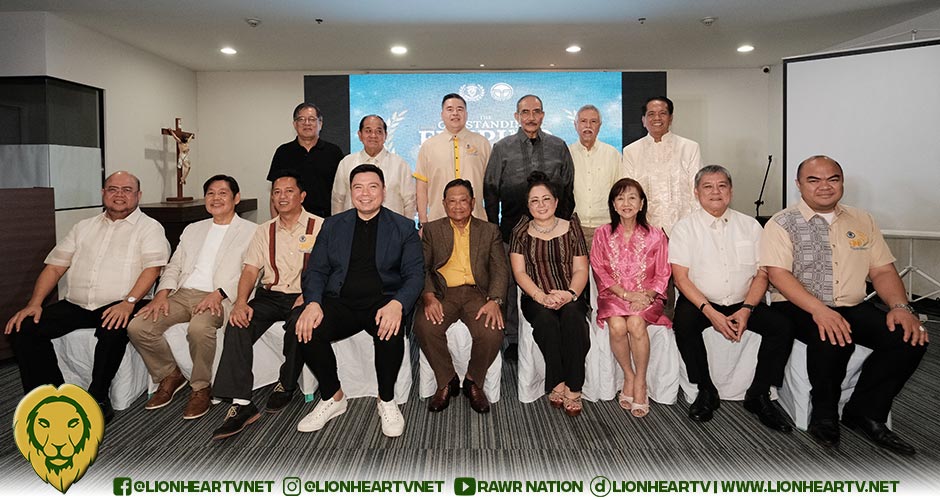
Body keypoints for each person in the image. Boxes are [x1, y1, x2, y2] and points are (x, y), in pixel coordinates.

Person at [761, 155, 928, 454]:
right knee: (833, 338)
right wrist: (819, 310)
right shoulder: (781, 222)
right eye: (814, 180)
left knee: (909, 338)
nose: (824, 186)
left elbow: (882, 271)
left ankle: (865, 411)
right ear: (799, 184)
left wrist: (900, 307)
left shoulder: (863, 220)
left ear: (842, 182)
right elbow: (778, 274)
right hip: (798, 305)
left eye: (832, 179)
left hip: (851, 304)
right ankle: (824, 415)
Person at [5, 171, 169, 422]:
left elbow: (153, 269)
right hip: (78, 304)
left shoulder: (150, 228)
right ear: (103, 193)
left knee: (113, 328)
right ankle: (49, 395)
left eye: (127, 190)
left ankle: (98, 397)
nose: (119, 194)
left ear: (138, 195)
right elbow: (55, 267)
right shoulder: (83, 227)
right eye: (113, 189)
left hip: (125, 301)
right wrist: (34, 303)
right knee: (24, 327)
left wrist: (128, 303)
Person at [293, 164, 423, 437]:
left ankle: (386, 399)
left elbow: (415, 275)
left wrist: (398, 304)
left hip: (383, 302)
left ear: (384, 191)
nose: (365, 194)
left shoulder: (403, 227)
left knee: (390, 330)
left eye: (372, 187)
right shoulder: (333, 225)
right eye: (358, 187)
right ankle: (333, 396)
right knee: (304, 326)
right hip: (341, 302)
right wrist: (313, 303)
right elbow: (316, 270)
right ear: (350, 191)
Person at [669, 165, 794, 431]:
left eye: (722, 186)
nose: (715, 192)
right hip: (701, 301)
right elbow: (681, 279)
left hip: (743, 301)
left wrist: (747, 308)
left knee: (782, 326)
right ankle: (706, 389)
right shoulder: (685, 228)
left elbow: (762, 274)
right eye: (708, 186)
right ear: (696, 192)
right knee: (684, 323)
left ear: (731, 191)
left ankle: (759, 394)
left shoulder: (750, 226)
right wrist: (711, 313)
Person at [127, 175, 256, 420]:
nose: (215, 198)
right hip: (183, 293)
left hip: (219, 296)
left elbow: (250, 272)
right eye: (210, 193)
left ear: (236, 198)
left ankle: (201, 387)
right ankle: (170, 374)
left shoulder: (252, 231)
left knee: (198, 328)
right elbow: (174, 265)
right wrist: (161, 295)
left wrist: (219, 293)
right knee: (138, 327)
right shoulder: (193, 229)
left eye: (222, 193)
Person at [211, 173, 324, 440]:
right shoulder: (264, 230)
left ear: (302, 196)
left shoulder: (321, 226)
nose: (282, 197)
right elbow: (251, 270)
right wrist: (240, 303)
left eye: (289, 191)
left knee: (299, 324)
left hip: (304, 295)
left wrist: (311, 295)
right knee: (238, 323)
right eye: (276, 192)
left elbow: (330, 268)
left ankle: (286, 384)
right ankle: (241, 403)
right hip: (270, 295)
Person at [484, 94, 575, 357]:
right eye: (525, 112)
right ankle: (513, 338)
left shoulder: (558, 146)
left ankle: (557, 324)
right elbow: (490, 190)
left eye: (536, 112)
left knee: (553, 276)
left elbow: (568, 189)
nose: (531, 117)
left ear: (543, 115)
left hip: (553, 232)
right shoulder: (502, 148)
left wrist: (562, 228)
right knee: (512, 284)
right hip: (513, 231)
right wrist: (495, 229)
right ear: (517, 116)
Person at [414, 179, 508, 414]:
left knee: (492, 331)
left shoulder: (489, 230)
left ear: (473, 202)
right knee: (425, 326)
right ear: (444, 204)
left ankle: (473, 381)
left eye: (463, 200)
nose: (458, 206)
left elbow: (500, 269)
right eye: (452, 201)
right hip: (443, 292)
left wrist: (495, 300)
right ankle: (446, 380)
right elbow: (422, 268)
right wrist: (428, 296)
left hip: (478, 293)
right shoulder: (432, 230)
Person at [510, 171, 589, 417]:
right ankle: (558, 382)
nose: (541, 205)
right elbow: (519, 273)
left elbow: (581, 269)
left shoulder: (572, 228)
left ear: (555, 202)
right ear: (528, 205)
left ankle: (574, 387)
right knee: (546, 321)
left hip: (570, 293)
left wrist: (570, 294)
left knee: (573, 318)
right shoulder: (520, 232)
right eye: (534, 201)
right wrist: (540, 296)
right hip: (536, 297)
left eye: (546, 199)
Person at [590, 178, 670, 418]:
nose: (627, 203)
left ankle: (641, 382)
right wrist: (624, 294)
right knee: (617, 325)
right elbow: (598, 268)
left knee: (635, 323)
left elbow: (663, 272)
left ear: (642, 203)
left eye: (632, 197)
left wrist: (647, 296)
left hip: (647, 297)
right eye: (620, 198)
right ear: (613, 205)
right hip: (614, 295)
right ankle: (629, 376)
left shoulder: (656, 235)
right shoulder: (602, 233)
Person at [621, 96, 702, 236]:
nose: (657, 118)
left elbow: (697, 191)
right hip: (645, 230)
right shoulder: (631, 151)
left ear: (671, 118)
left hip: (684, 228)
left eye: (662, 113)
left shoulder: (689, 148)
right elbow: (628, 194)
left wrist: (694, 227)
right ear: (643, 120)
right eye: (651, 114)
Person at [415, 93, 491, 226]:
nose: (455, 113)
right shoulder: (428, 146)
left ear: (466, 114)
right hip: (438, 221)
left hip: (476, 221)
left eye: (460, 109)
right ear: (442, 114)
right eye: (450, 109)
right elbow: (421, 186)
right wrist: (423, 221)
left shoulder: (482, 143)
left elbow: (491, 186)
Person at [266, 102, 344, 218]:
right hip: (291, 220)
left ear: (320, 124)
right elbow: (275, 193)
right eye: (301, 119)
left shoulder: (334, 152)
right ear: (295, 124)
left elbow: (342, 192)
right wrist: (276, 224)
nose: (307, 123)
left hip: (327, 219)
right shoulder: (283, 152)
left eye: (312, 119)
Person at [332, 114, 416, 219]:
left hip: (392, 226)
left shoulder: (400, 164)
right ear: (360, 135)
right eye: (368, 131)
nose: (373, 135)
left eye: (379, 131)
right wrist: (338, 226)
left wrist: (406, 227)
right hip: (353, 226)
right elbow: (338, 200)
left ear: (385, 135)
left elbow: (410, 201)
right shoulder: (346, 163)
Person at [569, 104, 622, 248]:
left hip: (606, 228)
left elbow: (621, 192)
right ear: (575, 125)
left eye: (593, 121)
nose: (588, 126)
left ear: (600, 125)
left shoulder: (612, 154)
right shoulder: (566, 154)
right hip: (574, 228)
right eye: (583, 121)